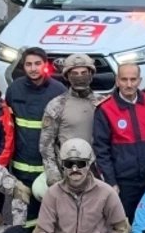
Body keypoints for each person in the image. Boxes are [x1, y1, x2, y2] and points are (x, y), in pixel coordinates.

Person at [93, 62, 145, 233]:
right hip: (125, 181)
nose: (129, 84)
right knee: (125, 224)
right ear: (117, 81)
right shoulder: (105, 109)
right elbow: (102, 151)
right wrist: (111, 182)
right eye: (124, 79)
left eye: (133, 79)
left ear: (140, 81)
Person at [5, 47, 67, 222]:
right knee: (23, 216)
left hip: (49, 168)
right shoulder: (14, 89)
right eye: (29, 64)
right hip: (21, 167)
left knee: (51, 214)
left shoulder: (58, 90)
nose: (33, 68)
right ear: (23, 67)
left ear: (45, 65)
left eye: (37, 64)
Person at [39, 54, 106, 187]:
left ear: (91, 74)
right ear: (67, 76)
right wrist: (54, 177)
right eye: (74, 73)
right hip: (68, 173)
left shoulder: (103, 103)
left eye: (84, 73)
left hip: (98, 174)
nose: (79, 77)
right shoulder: (57, 105)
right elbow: (46, 146)